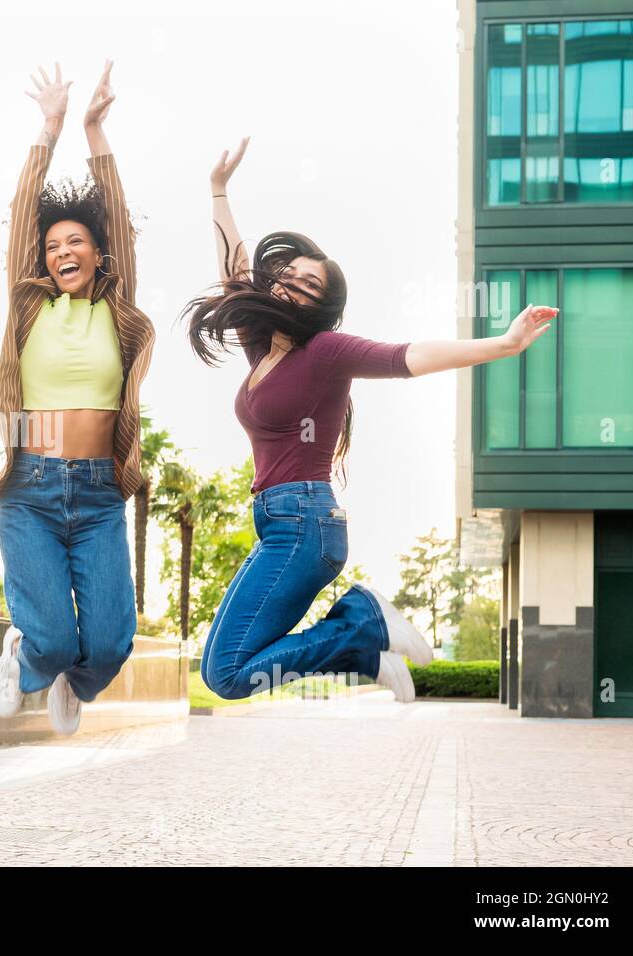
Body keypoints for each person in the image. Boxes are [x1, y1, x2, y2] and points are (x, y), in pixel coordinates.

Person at [186, 137, 556, 703]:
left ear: (321, 307)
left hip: (305, 524)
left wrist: (503, 344)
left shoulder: (326, 351)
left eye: (312, 287)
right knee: (223, 665)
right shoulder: (264, 347)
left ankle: (365, 620)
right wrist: (218, 190)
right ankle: (362, 648)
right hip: (278, 523)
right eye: (290, 275)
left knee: (228, 675)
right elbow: (236, 273)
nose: (293, 286)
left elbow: (407, 356)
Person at [0, 62, 155, 734]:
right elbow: (24, 215)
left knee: (110, 645)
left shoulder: (118, 311)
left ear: (97, 252)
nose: (62, 250)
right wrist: (48, 129)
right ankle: (31, 657)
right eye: (53, 245)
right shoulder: (28, 308)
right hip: (30, 486)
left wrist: (94, 129)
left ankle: (72, 680)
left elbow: (118, 217)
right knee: (52, 635)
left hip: (97, 494)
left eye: (75, 241)